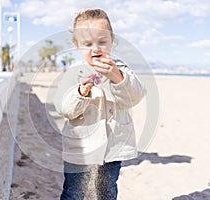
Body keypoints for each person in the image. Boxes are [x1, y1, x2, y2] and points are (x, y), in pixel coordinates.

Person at [53, 8, 146, 200]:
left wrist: (116, 78)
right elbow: (64, 109)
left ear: (112, 41)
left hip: (112, 148)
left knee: (106, 191)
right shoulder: (73, 73)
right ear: (76, 45)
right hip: (80, 147)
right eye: (87, 44)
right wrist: (81, 92)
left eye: (102, 42)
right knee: (74, 191)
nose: (96, 49)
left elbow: (134, 97)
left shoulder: (120, 69)